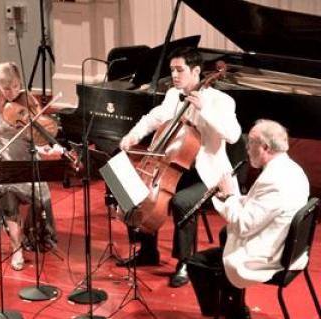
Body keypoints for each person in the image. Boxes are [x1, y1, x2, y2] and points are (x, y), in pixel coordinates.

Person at [118, 47, 241, 288]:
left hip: (208, 173)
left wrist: (205, 109)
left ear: (196, 71)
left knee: (182, 202)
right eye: (171, 70)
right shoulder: (174, 94)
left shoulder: (221, 101)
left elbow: (234, 135)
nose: (174, 75)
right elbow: (155, 117)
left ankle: (185, 262)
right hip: (176, 165)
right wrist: (132, 136)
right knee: (137, 190)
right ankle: (147, 251)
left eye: (179, 70)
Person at [187, 119, 309, 318]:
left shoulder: (274, 180)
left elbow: (244, 225)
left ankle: (226, 312)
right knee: (225, 234)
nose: (247, 148)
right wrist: (234, 198)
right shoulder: (291, 168)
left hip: (271, 255)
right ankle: (235, 307)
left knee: (196, 263)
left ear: (265, 147)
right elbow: (262, 204)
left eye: (250, 142)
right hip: (285, 242)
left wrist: (229, 196)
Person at [0, 62, 61, 271]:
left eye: (16, 86)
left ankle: (27, 233)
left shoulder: (27, 99)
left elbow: (37, 136)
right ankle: (17, 247)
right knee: (5, 192)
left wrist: (46, 150)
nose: (13, 92)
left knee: (39, 195)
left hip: (27, 158)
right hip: (1, 160)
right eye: (6, 88)